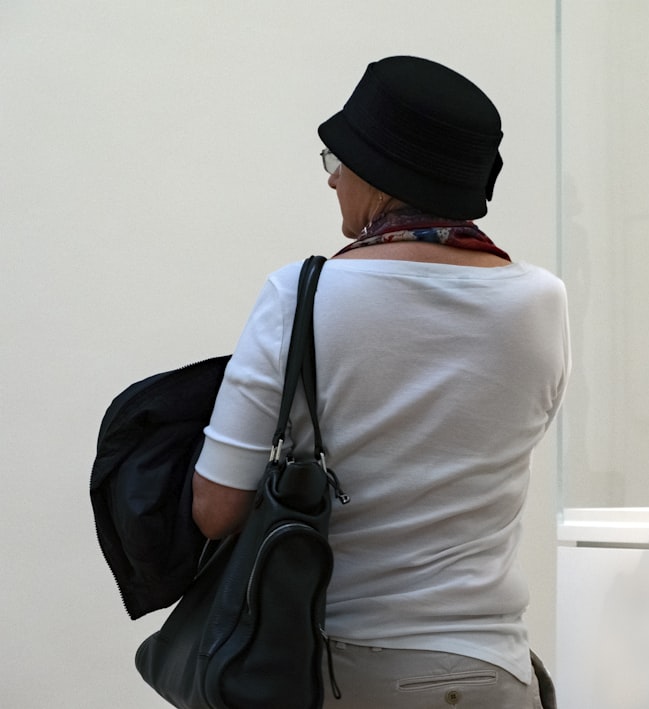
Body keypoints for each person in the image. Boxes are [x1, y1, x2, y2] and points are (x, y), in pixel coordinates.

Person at [190, 56, 570, 708]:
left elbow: (215, 509)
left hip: (345, 673)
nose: (333, 180)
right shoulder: (543, 300)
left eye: (339, 160)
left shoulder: (301, 295)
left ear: (381, 172)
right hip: (496, 674)